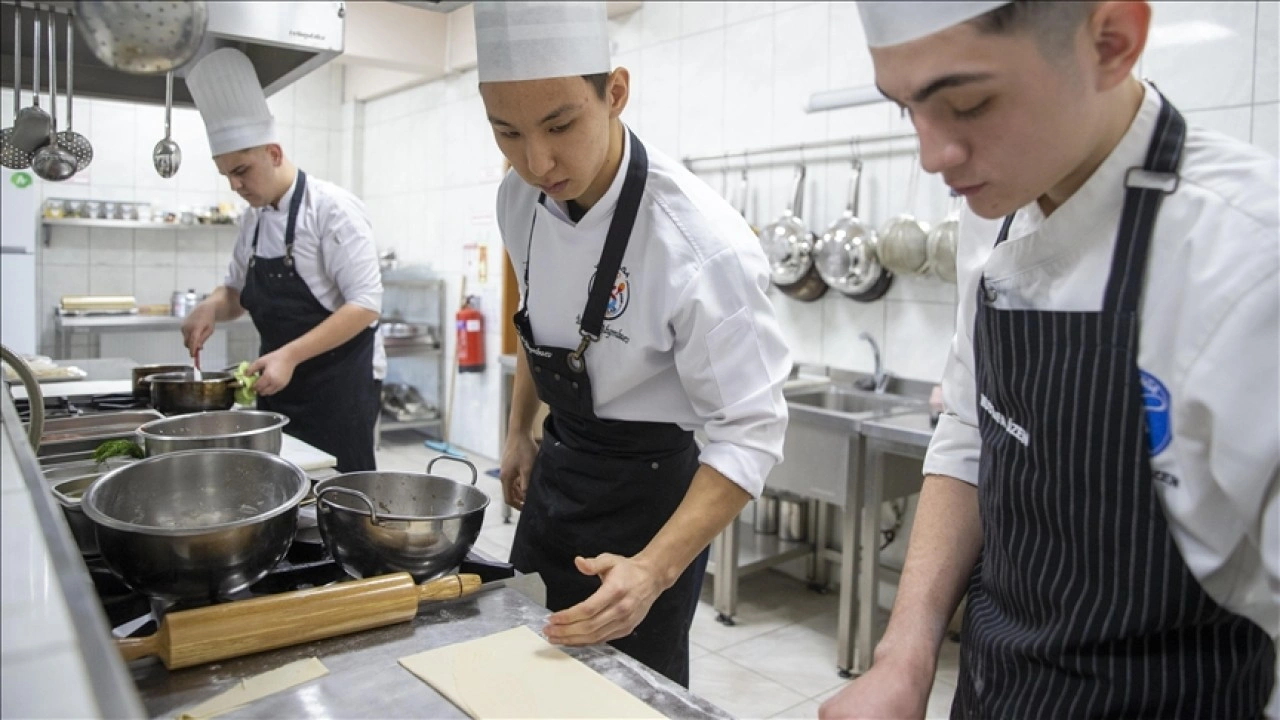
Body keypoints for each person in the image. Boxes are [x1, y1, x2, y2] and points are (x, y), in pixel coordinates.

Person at [821, 2, 1278, 718]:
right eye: (906, 110)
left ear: (1111, 42)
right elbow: (971, 428)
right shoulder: (995, 208)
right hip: (995, 693)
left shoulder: (1250, 261)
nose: (932, 155)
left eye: (968, 103)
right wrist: (903, 657)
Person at [475, 1, 791, 687]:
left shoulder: (702, 246)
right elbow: (537, 319)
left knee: (626, 696)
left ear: (615, 92)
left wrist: (653, 570)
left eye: (560, 124)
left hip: (649, 505)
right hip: (558, 472)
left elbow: (752, 432)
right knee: (517, 673)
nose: (537, 161)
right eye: (507, 132)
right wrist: (519, 429)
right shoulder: (516, 200)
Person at [180, 48, 386, 473]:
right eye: (227, 176)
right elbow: (235, 293)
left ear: (274, 153)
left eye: (242, 170)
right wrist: (210, 306)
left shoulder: (333, 210)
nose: (235, 185)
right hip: (277, 380)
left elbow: (365, 305)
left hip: (339, 386)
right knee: (281, 484)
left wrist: (289, 355)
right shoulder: (253, 218)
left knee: (337, 491)